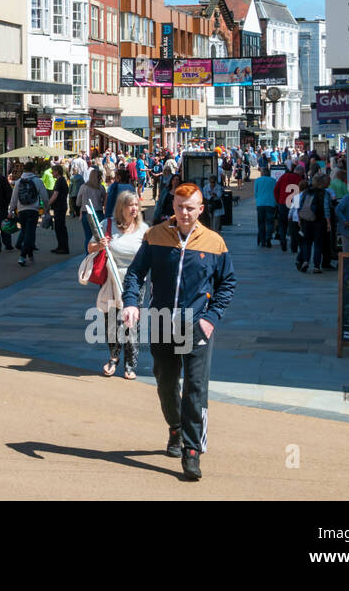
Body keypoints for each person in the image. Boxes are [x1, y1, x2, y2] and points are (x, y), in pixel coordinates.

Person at [122, 183, 236, 481]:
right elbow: (135, 273)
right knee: (165, 380)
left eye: (190, 207)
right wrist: (131, 303)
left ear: (201, 209)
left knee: (196, 387)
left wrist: (211, 318)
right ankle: (175, 427)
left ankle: (192, 450)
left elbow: (227, 284)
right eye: (179, 206)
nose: (184, 213)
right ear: (173, 206)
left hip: (196, 324)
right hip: (161, 320)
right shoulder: (155, 236)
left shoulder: (214, 243)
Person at [89, 189, 149, 380]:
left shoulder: (143, 228)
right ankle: (113, 357)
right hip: (111, 279)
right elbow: (90, 247)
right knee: (111, 321)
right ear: (121, 207)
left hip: (135, 281)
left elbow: (151, 254)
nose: (134, 208)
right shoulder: (107, 225)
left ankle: (130, 364)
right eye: (130, 205)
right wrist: (100, 245)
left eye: (136, 205)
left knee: (131, 321)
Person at [9, 160, 45, 266]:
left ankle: (30, 255)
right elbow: (45, 197)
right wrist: (46, 210)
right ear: (33, 169)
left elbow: (14, 198)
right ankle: (23, 256)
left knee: (26, 231)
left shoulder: (19, 181)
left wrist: (11, 210)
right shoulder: (37, 181)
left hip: (21, 211)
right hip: (33, 210)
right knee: (30, 233)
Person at [296, 174, 333, 273]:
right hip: (319, 222)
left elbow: (300, 205)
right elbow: (326, 209)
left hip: (306, 221)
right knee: (318, 244)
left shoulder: (306, 192)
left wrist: (299, 220)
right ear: (323, 183)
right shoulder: (324, 193)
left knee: (307, 243)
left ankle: (305, 261)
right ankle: (316, 266)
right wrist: (328, 223)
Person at [45, 163, 70, 255]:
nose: (52, 174)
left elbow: (55, 195)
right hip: (61, 206)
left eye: (53, 172)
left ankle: (63, 247)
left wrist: (47, 204)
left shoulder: (60, 181)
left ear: (57, 172)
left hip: (60, 207)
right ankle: (61, 246)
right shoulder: (61, 180)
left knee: (60, 227)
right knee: (60, 227)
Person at [76, 168, 106, 244]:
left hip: (86, 213)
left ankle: (88, 253)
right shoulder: (101, 188)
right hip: (98, 212)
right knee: (100, 237)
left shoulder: (83, 187)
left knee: (88, 237)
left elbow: (78, 203)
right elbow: (105, 201)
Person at [253, 165, 277, 248]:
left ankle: (262, 241)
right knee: (270, 223)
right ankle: (268, 238)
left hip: (260, 203)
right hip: (270, 204)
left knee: (261, 223)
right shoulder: (273, 181)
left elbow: (255, 193)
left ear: (262, 173)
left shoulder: (257, 181)